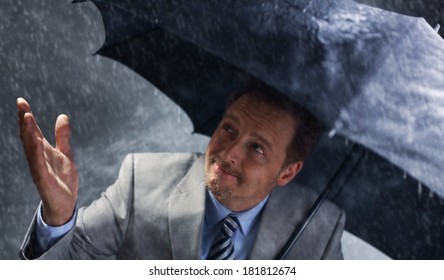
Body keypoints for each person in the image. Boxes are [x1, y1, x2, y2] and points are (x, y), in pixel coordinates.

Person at [17, 80, 345, 260]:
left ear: (287, 172)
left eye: (257, 148)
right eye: (229, 128)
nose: (228, 153)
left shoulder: (318, 231)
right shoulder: (142, 180)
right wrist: (58, 218)